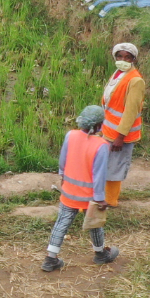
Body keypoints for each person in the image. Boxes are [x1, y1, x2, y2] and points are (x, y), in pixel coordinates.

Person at [42, 106, 121, 271]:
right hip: (89, 196)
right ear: (99, 125)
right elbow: (99, 175)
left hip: (69, 191)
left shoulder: (70, 135)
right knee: (94, 224)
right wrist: (100, 198)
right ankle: (100, 254)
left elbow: (63, 162)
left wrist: (63, 178)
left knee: (62, 222)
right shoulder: (101, 145)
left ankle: (50, 259)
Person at [99, 41, 145, 207]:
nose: (123, 59)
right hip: (109, 130)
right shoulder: (118, 73)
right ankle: (103, 196)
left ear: (134, 59)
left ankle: (110, 201)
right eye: (119, 56)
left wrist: (120, 137)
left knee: (115, 168)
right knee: (106, 165)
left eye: (127, 57)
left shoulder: (135, 81)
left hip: (120, 134)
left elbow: (131, 111)